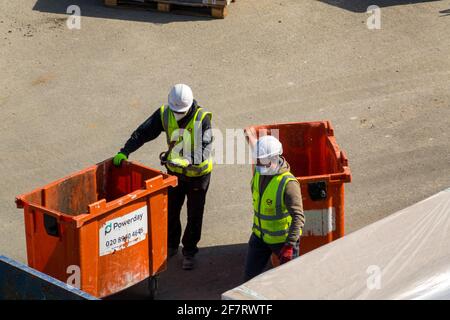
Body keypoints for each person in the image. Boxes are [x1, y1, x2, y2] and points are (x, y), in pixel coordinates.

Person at [113, 84, 213, 270]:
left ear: (190, 106)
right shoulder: (165, 113)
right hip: (175, 173)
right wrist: (125, 151)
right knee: (172, 210)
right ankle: (172, 245)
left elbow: (205, 149)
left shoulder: (202, 119)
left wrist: (188, 160)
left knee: (194, 214)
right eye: (175, 111)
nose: (177, 114)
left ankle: (189, 252)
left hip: (198, 176)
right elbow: (143, 132)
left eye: (180, 111)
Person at [244, 135, 305, 281]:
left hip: (282, 242)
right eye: (257, 159)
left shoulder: (288, 183)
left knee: (288, 282)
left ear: (274, 158)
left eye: (263, 160)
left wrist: (290, 245)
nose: (259, 164)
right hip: (260, 237)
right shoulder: (260, 173)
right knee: (249, 279)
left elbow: (298, 217)